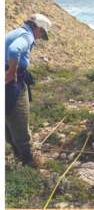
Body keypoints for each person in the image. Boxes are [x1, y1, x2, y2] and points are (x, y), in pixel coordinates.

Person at [5, 13, 52, 166]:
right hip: (12, 83)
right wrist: (12, 72)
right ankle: (28, 159)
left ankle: (16, 152)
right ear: (37, 28)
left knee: (6, 118)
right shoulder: (26, 36)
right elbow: (14, 50)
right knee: (19, 118)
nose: (40, 37)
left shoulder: (14, 32)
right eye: (42, 33)